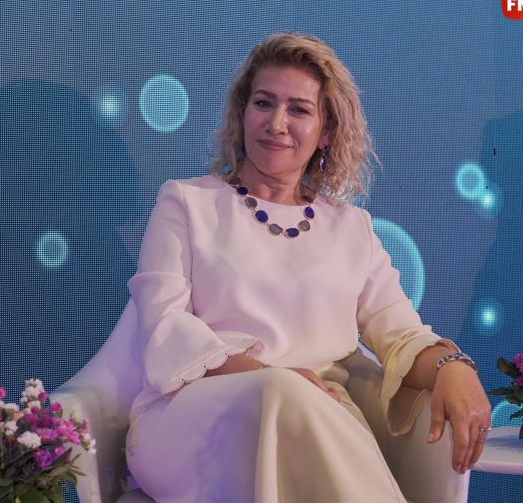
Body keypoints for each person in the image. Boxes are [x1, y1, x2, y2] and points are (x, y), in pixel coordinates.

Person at [124, 33, 490, 502]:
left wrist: (453, 367)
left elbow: (401, 334)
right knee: (280, 391)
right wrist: (266, 375)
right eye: (263, 103)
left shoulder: (351, 227)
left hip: (318, 418)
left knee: (294, 401)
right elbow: (163, 324)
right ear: (242, 114)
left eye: (298, 110)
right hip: (193, 419)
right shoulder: (186, 202)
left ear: (327, 131)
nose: (276, 123)